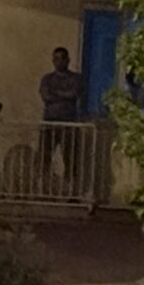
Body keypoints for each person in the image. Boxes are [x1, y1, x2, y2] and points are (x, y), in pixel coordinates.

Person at [37, 45, 85, 193]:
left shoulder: (76, 78)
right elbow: (46, 96)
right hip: (50, 123)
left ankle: (71, 191)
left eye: (61, 59)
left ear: (68, 60)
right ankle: (41, 189)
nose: (57, 62)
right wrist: (63, 95)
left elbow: (74, 94)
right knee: (44, 158)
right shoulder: (47, 79)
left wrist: (56, 94)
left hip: (68, 124)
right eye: (55, 59)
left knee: (70, 159)